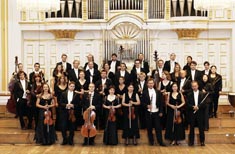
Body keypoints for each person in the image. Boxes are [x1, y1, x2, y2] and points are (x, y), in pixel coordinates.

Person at [141, 78, 166, 146]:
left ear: (154, 84)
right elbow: (142, 103)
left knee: (158, 128)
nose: (151, 84)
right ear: (147, 84)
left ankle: (160, 141)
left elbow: (161, 103)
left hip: (156, 112)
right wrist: (147, 106)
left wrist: (161, 111)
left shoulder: (157, 92)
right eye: (149, 83)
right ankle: (151, 141)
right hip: (148, 112)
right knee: (149, 128)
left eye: (152, 83)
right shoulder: (144, 92)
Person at [187, 81, 206, 146]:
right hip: (192, 113)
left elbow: (204, 104)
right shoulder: (189, 94)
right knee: (191, 128)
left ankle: (202, 141)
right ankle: (191, 142)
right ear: (191, 87)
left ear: (198, 86)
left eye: (195, 86)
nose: (194, 87)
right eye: (193, 86)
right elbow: (188, 104)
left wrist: (198, 107)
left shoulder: (202, 94)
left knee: (201, 128)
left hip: (200, 113)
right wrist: (193, 107)